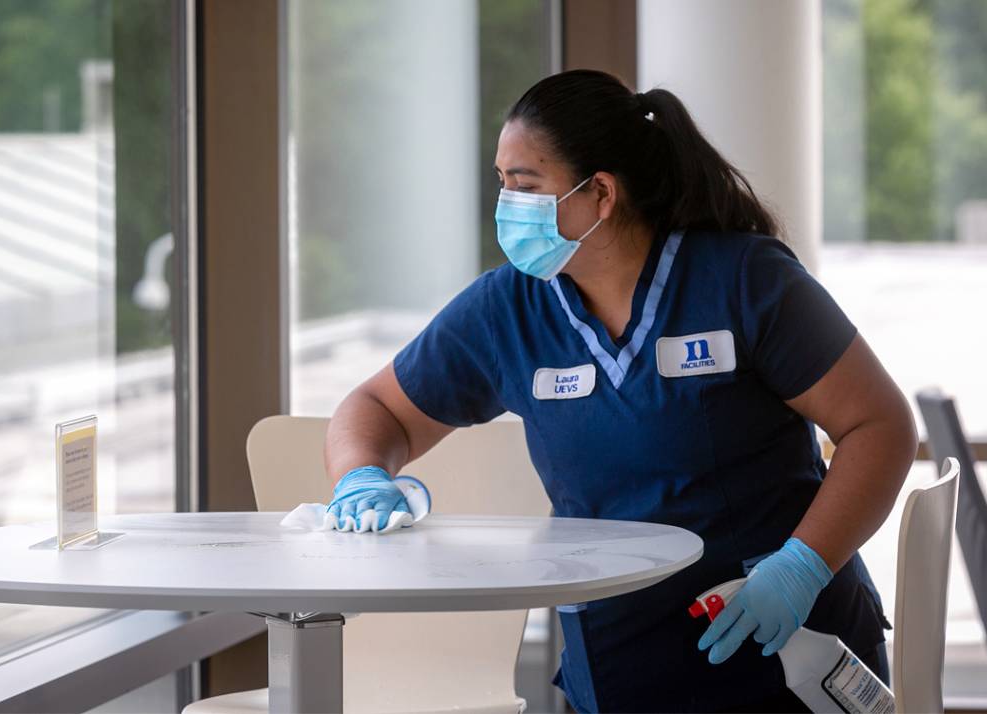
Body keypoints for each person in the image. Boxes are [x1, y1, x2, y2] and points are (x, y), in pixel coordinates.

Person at [322, 70, 918, 713]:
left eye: (524, 185)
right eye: (501, 183)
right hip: (619, 659)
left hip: (781, 644)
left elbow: (881, 427)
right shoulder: (508, 311)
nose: (506, 204)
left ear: (600, 193)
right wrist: (362, 477)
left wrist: (802, 567)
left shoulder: (744, 281)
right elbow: (377, 408)